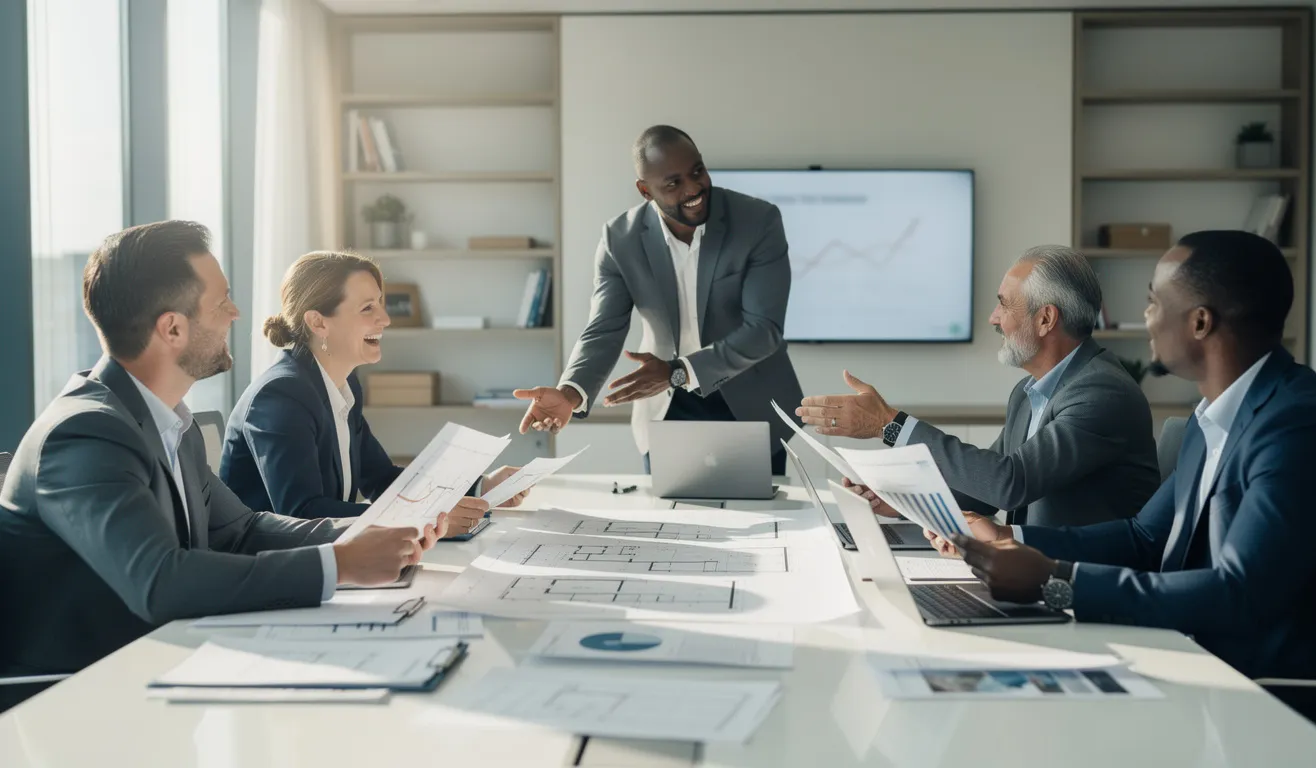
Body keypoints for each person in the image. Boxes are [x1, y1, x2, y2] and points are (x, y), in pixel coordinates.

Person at [0, 222, 456, 710]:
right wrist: (341, 563)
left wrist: (380, 530)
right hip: (77, 698)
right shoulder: (85, 433)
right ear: (172, 328)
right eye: (221, 304)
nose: (236, 314)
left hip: (166, 664)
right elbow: (160, 580)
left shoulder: (171, 422)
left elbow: (242, 530)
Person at [931, 230, 1316, 687]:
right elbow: (1146, 538)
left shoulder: (1298, 426)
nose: (1145, 318)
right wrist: (1010, 537)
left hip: (1262, 692)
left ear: (1200, 323)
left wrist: (1057, 579)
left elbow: (1239, 593)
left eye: (1154, 303)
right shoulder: (1213, 416)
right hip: (1187, 655)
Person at [512, 125, 804, 475]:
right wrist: (571, 392)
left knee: (769, 525)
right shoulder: (620, 238)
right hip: (666, 404)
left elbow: (764, 330)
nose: (693, 188)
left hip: (749, 398)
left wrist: (680, 372)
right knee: (670, 523)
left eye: (697, 171)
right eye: (673, 183)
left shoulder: (757, 221)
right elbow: (604, 327)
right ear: (645, 191)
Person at [798, 245, 1158, 527]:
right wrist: (900, 501)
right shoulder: (1028, 392)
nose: (994, 318)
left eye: (1004, 305)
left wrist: (889, 424)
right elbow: (987, 492)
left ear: (1046, 319)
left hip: (1082, 588)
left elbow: (1010, 483)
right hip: (1032, 574)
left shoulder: (1100, 393)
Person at [220, 250, 527, 519]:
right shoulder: (281, 396)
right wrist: (423, 517)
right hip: (278, 573)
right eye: (368, 308)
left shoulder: (343, 385)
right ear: (318, 322)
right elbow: (303, 512)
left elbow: (381, 479)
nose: (385, 319)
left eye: (380, 304)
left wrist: (481, 486)